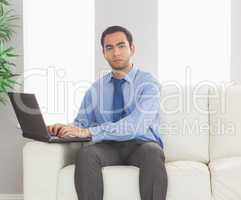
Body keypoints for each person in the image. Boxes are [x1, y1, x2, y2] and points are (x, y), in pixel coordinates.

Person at [47, 25, 168, 200]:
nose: (116, 53)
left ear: (132, 48)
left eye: (121, 46)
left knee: (153, 152)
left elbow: (137, 126)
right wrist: (65, 128)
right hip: (109, 147)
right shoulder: (96, 89)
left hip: (141, 145)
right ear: (103, 53)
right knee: (86, 154)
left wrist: (90, 131)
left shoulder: (148, 84)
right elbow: (82, 123)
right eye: (109, 48)